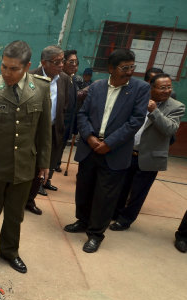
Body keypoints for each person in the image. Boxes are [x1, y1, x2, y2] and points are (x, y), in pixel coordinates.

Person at [0, 40, 52, 273]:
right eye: (4, 67)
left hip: (25, 164)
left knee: (15, 214)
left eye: (13, 68)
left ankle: (9, 251)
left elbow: (45, 130)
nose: (7, 73)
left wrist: (45, 163)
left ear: (27, 66)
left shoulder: (41, 88)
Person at [63, 49, 151, 253]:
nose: (130, 71)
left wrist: (109, 143)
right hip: (90, 147)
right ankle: (82, 221)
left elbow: (136, 121)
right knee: (84, 189)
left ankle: (95, 234)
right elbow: (83, 114)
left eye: (132, 67)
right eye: (125, 67)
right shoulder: (98, 86)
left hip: (114, 151)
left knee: (105, 196)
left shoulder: (140, 88)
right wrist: (91, 138)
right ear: (111, 69)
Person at [110, 73, 184, 230]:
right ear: (151, 87)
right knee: (121, 187)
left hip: (150, 157)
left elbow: (170, 129)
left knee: (138, 193)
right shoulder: (139, 99)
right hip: (128, 152)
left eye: (169, 87)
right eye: (162, 87)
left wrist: (154, 111)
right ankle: (114, 213)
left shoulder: (176, 106)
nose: (166, 90)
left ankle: (125, 220)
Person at [25, 45, 72, 215]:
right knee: (24, 166)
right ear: (44, 63)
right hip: (30, 131)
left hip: (52, 131)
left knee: (41, 168)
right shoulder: (30, 77)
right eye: (57, 62)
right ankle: (15, 198)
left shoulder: (65, 79)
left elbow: (65, 104)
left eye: (63, 61)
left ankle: (29, 201)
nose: (61, 65)